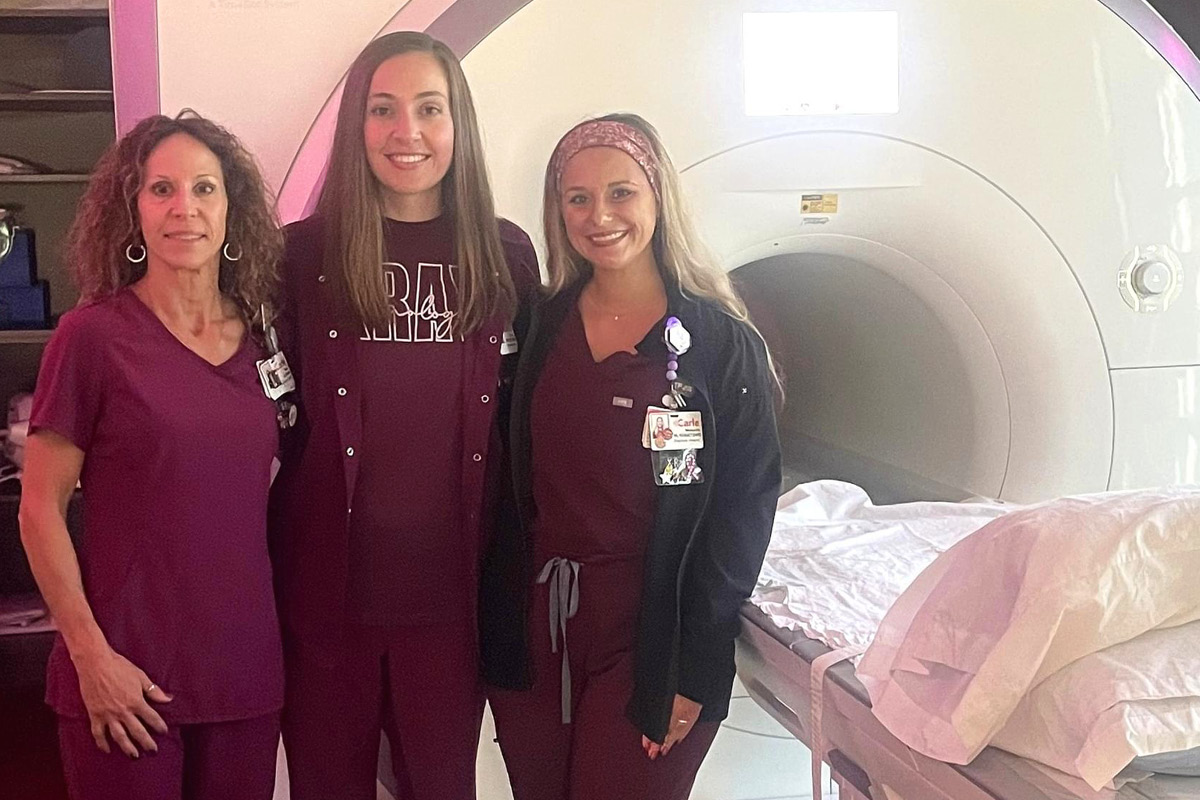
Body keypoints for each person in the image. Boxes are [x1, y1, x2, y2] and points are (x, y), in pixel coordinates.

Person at [267, 31, 538, 800]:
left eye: (429, 109)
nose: (406, 132)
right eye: (383, 109)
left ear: (459, 126)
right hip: (324, 600)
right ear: (357, 124)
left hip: (451, 607)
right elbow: (268, 406)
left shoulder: (505, 255)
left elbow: (525, 427)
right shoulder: (302, 257)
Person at [482, 113, 782, 800]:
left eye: (621, 193)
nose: (600, 215)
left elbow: (743, 512)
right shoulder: (538, 325)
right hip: (539, 625)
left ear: (657, 199)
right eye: (577, 198)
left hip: (656, 629)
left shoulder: (720, 345)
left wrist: (696, 668)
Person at [18, 111, 286, 800]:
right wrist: (90, 657)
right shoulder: (92, 338)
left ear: (232, 209)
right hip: (124, 679)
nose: (184, 209)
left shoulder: (264, 341)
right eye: (162, 189)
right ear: (133, 209)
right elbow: (39, 508)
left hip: (242, 679)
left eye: (204, 189)